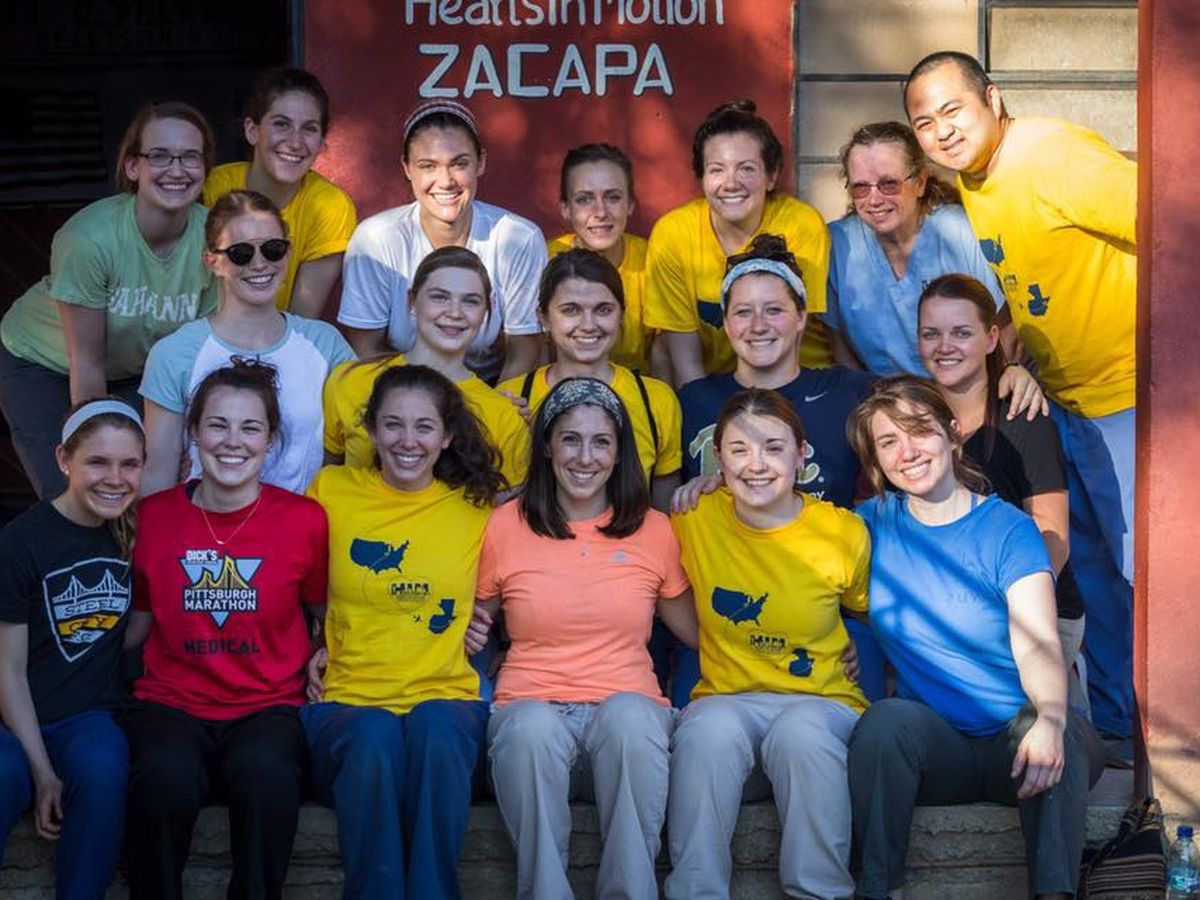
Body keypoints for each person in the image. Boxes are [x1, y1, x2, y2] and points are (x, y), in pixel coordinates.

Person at [904, 50, 1137, 740]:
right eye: (925, 122)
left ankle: (1176, 737)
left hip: (1131, 396)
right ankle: (1122, 730)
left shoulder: (1051, 154)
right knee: (1093, 576)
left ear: (994, 99)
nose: (942, 131)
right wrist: (1012, 351)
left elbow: (1171, 223)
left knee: (1146, 573)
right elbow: (1035, 280)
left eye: (954, 110)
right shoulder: (977, 180)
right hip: (1065, 401)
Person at [848, 376, 1103, 900]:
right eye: (888, 441)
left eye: (919, 430)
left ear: (952, 432)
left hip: (1020, 742)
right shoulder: (867, 526)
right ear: (876, 460)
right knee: (883, 723)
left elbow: (1037, 640)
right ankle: (879, 889)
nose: (907, 451)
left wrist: (1050, 718)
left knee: (1061, 732)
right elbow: (787, 534)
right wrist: (712, 489)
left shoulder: (1009, 529)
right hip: (938, 749)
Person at [467, 377, 696, 899]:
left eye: (601, 442)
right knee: (530, 727)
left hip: (625, 724)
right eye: (570, 439)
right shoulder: (505, 525)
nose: (585, 457)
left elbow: (701, 635)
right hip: (531, 714)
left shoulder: (654, 529)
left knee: (631, 717)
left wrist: (814, 644)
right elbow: (467, 621)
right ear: (547, 446)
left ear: (619, 452)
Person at [121, 361, 327, 900]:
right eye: (217, 425)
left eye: (250, 427)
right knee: (163, 777)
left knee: (266, 774)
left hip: (269, 705)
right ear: (192, 432)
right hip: (172, 702)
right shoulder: (153, 517)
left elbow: (327, 613)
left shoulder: (305, 520)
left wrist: (326, 651)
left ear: (271, 439)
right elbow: (136, 622)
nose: (233, 441)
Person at [303, 364, 503, 898]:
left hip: (447, 695)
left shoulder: (477, 506)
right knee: (375, 735)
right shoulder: (331, 491)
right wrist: (313, 643)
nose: (407, 441)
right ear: (371, 429)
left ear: (447, 435)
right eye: (393, 424)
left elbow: (537, 543)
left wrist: (484, 613)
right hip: (347, 700)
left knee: (436, 728)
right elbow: (294, 577)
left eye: (423, 426)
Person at [666, 388, 870, 900]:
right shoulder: (693, 518)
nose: (756, 465)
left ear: (802, 455)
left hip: (822, 701)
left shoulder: (842, 531)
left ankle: (820, 892)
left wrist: (857, 648)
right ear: (718, 458)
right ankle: (695, 892)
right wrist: (706, 638)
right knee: (704, 731)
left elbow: (869, 615)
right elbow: (658, 586)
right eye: (739, 450)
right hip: (728, 697)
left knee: (801, 733)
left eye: (773, 448)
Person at [667, 234, 881, 708]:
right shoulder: (694, 401)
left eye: (775, 310)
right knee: (695, 730)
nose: (758, 325)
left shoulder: (849, 392)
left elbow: (925, 430)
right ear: (725, 323)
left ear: (803, 317)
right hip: (724, 631)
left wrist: (1009, 371)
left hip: (826, 617)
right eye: (743, 312)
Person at [0, 102, 218, 499]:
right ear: (133, 167)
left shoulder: (214, 237)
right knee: (77, 487)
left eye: (190, 156)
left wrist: (190, 436)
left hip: (136, 371)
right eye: (159, 156)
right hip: (45, 363)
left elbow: (198, 356)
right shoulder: (90, 239)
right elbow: (87, 364)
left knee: (156, 478)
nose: (176, 169)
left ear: (205, 169)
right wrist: (103, 454)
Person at [917, 273, 1086, 703]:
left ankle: (1065, 703)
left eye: (961, 333)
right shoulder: (911, 418)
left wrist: (995, 611)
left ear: (992, 338)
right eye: (931, 334)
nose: (945, 346)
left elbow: (1054, 540)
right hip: (945, 607)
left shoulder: (1023, 417)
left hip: (1028, 608)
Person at [0, 399, 144, 899]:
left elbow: (135, 629)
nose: (115, 479)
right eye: (97, 462)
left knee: (104, 769)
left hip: (85, 717)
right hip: (14, 717)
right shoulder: (21, 543)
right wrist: (44, 773)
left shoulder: (129, 535)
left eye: (129, 464)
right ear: (64, 459)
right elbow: (9, 672)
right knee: (4, 773)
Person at [140, 189, 354, 496]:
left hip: (303, 520)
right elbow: (158, 474)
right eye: (241, 253)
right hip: (207, 521)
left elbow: (354, 444)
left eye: (273, 249)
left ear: (288, 253)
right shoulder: (174, 353)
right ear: (212, 262)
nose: (259, 264)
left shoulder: (326, 345)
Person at [338, 99, 547, 384]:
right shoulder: (376, 240)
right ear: (407, 168)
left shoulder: (519, 238)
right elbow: (367, 352)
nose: (446, 180)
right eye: (428, 165)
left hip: (490, 392)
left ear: (481, 163)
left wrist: (491, 406)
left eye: (459, 164)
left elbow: (524, 351)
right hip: (397, 391)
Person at [643, 100, 832, 385]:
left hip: (796, 378)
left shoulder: (801, 224)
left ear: (771, 176)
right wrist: (706, 410)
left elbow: (787, 350)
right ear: (702, 177)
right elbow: (686, 363)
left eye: (746, 169)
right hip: (718, 383)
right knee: (660, 348)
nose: (730, 183)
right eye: (716, 170)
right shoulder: (674, 233)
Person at [323, 245, 529, 488]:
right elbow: (326, 476)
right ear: (412, 301)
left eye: (471, 301)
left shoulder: (504, 415)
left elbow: (505, 505)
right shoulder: (351, 381)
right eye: (440, 297)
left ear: (486, 310)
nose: (455, 313)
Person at [497, 249, 682, 510]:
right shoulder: (511, 400)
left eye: (603, 310)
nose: (588, 324)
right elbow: (497, 509)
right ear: (544, 317)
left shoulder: (656, 400)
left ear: (621, 314)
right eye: (570, 310)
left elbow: (663, 513)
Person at [825, 120, 1004, 377]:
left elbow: (1003, 331)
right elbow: (839, 344)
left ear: (920, 182)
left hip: (966, 390)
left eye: (889, 184)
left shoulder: (959, 231)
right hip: (882, 396)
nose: (874, 200)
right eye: (860, 188)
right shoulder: (839, 243)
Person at [204, 66, 357, 317]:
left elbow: (301, 319)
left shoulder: (330, 206)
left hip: (279, 335)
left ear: (321, 142)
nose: (295, 142)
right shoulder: (212, 187)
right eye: (281, 124)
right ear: (252, 131)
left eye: (309, 128)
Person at [548, 144, 649, 371]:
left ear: (630, 205)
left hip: (636, 386)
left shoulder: (651, 261)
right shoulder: (544, 262)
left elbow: (661, 352)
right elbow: (538, 350)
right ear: (565, 208)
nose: (601, 212)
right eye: (584, 199)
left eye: (613, 197)